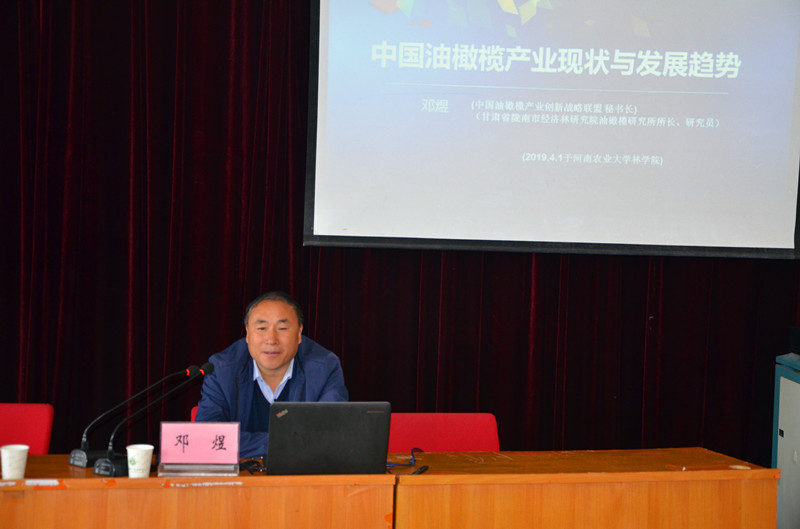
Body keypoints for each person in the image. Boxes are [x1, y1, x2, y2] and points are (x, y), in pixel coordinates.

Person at [195, 291, 348, 457]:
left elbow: (331, 434)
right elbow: (207, 436)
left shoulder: (324, 368)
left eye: (282, 328)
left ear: (299, 334)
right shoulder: (222, 369)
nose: (271, 339)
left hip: (300, 472)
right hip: (241, 472)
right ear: (247, 333)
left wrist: (246, 444)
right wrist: (282, 444)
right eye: (261, 328)